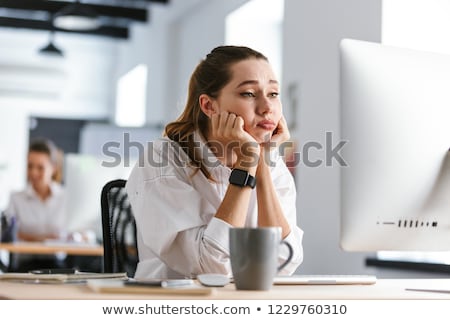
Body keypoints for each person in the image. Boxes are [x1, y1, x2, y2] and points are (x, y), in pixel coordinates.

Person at [126, 45, 303, 279]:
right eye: (249, 93)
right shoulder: (161, 160)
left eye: (273, 94)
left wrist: (261, 163)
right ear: (209, 106)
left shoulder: (272, 163)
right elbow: (210, 268)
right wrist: (247, 164)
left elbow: (283, 261)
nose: (267, 108)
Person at [3, 138, 68, 270]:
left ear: (53, 168)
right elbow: (9, 233)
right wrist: (44, 239)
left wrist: (29, 237)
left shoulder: (66, 197)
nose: (33, 172)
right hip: (24, 264)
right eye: (30, 166)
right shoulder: (16, 198)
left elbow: (77, 233)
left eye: (40, 167)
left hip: (57, 264)